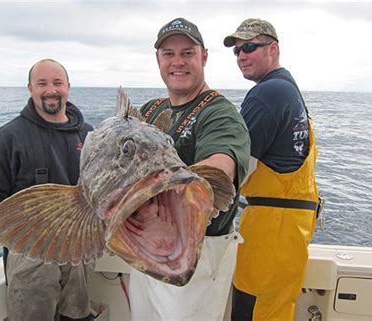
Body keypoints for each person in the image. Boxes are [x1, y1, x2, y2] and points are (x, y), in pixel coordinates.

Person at [127, 17, 250, 321]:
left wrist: (189, 186)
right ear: (157, 59)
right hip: (144, 250)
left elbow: (220, 165)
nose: (177, 62)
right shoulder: (150, 110)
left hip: (194, 254)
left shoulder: (219, 112)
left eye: (187, 53)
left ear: (204, 57)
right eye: (168, 53)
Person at [0, 59, 94, 321]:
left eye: (57, 83)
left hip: (80, 252)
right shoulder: (8, 138)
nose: (50, 90)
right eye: (41, 83)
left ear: (68, 87)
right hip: (30, 255)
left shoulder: (89, 136)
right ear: (29, 88)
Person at [223, 19, 320, 321]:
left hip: (271, 230)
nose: (241, 56)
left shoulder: (268, 93)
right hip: (291, 230)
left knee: (253, 310)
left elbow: (235, 169)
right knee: (276, 309)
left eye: (250, 47)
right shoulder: (289, 90)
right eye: (237, 50)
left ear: (273, 49)